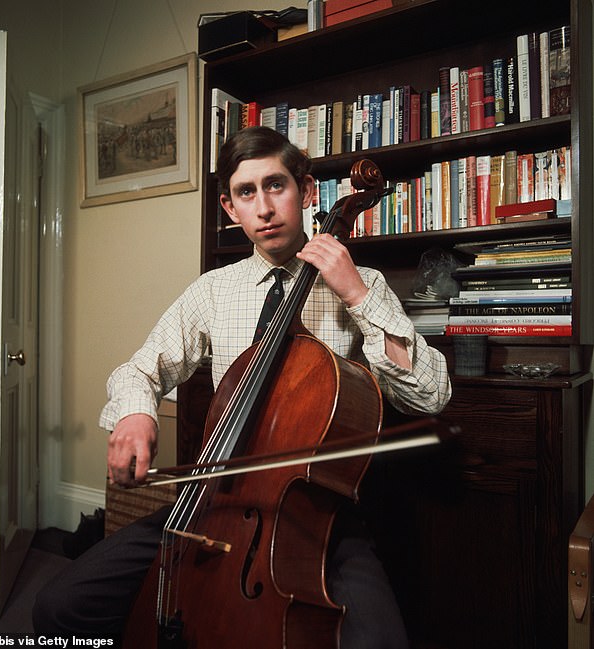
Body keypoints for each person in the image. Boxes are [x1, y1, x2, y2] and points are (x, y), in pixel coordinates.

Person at [33, 126, 451, 647]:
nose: (265, 207)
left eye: (276, 185)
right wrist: (135, 413)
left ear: (307, 191)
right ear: (231, 209)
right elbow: (138, 370)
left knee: (380, 643)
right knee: (60, 609)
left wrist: (357, 295)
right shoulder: (213, 291)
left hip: (318, 515)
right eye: (246, 193)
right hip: (212, 500)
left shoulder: (362, 281)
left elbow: (429, 395)